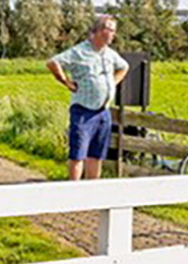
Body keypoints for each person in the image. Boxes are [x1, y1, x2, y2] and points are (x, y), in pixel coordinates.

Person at [47, 16, 130, 180]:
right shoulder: (79, 52)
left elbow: (124, 67)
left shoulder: (110, 54)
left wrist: (112, 83)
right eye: (110, 30)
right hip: (83, 111)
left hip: (103, 112)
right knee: (78, 154)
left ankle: (92, 194)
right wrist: (66, 82)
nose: (113, 34)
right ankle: (75, 196)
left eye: (114, 30)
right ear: (99, 31)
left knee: (96, 154)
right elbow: (53, 62)